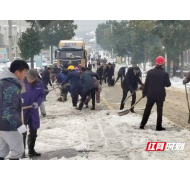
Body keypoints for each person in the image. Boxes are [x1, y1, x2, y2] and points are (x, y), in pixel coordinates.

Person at [0, 60, 29, 160]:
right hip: (9, 125)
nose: (25, 75)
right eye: (24, 72)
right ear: (17, 72)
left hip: (1, 124)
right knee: (18, 151)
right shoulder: (11, 86)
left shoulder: (2, 82)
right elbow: (9, 109)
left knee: (2, 151)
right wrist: (19, 125)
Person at [140, 56, 171, 131]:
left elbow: (146, 84)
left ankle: (142, 124)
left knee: (147, 109)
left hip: (150, 94)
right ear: (162, 64)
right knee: (159, 111)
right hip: (160, 95)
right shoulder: (165, 73)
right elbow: (168, 84)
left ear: (156, 63)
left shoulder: (150, 72)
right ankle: (158, 126)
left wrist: (144, 93)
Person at [22, 69, 45, 159]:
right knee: (22, 132)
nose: (30, 80)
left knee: (33, 131)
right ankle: (21, 152)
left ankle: (31, 150)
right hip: (23, 110)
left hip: (33, 110)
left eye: (32, 79)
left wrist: (38, 102)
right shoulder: (21, 82)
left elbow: (42, 95)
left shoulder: (39, 83)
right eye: (29, 78)